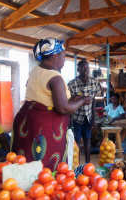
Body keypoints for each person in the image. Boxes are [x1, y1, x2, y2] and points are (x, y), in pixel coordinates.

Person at [12, 38, 90, 170]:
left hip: (26, 123)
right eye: (64, 55)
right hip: (44, 129)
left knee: (26, 164)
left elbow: (44, 97)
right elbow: (63, 108)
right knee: (45, 169)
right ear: (55, 55)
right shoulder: (55, 78)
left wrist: (73, 99)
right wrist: (83, 101)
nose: (64, 60)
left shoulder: (35, 72)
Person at [68, 59, 101, 163]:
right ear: (78, 69)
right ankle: (76, 165)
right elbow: (68, 102)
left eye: (87, 67)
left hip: (88, 117)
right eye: (82, 68)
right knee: (76, 142)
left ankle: (87, 164)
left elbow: (94, 99)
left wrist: (93, 118)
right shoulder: (72, 84)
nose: (85, 70)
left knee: (87, 140)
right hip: (76, 118)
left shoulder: (94, 82)